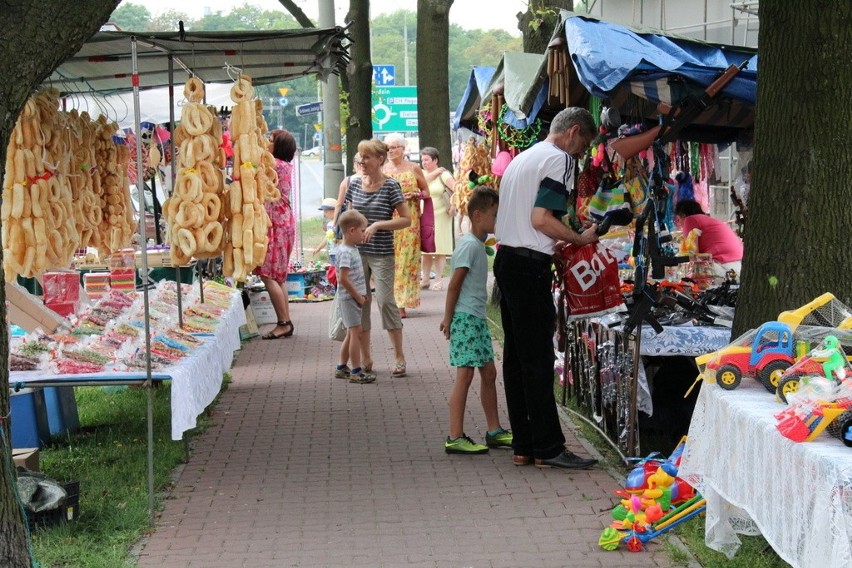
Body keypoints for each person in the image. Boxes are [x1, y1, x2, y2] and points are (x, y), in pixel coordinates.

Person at [494, 107, 599, 470]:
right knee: (537, 359)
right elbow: (542, 219)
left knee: (516, 359)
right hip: (528, 268)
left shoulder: (522, 159)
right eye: (584, 145)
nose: (582, 154)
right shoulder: (560, 161)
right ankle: (550, 448)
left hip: (507, 260)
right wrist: (578, 238)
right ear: (573, 132)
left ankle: (525, 444)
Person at [440, 186, 512, 454]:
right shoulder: (469, 246)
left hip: (476, 318)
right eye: (495, 215)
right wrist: (448, 318)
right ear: (478, 215)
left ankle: (494, 430)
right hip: (466, 318)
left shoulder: (477, 245)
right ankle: (455, 436)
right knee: (465, 376)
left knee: (489, 373)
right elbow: (454, 285)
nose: (497, 220)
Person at [335, 138, 411, 378]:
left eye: (367, 157)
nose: (362, 161)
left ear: (380, 160)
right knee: (361, 304)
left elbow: (406, 219)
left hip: (381, 253)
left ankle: (398, 355)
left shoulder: (391, 186)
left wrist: (378, 225)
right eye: (360, 156)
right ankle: (366, 357)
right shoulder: (353, 184)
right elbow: (347, 220)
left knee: (386, 300)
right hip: (356, 255)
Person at [382, 133, 430, 318]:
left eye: (394, 147)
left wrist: (416, 195)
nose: (391, 151)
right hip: (390, 218)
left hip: (410, 220)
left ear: (403, 148)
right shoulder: (383, 170)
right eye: (388, 147)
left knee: (407, 260)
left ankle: (402, 303)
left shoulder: (413, 168)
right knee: (391, 259)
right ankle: (391, 301)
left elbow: (426, 191)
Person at [255, 129, 297, 340]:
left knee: (268, 274)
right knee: (278, 277)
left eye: (270, 141)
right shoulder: (285, 165)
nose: (266, 143)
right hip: (283, 222)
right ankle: (285, 320)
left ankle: (283, 322)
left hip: (276, 226)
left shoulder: (274, 165)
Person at [334, 209, 376, 384]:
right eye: (362, 230)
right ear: (351, 231)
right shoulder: (345, 252)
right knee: (356, 333)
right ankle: (356, 370)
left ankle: (342, 366)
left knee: (352, 333)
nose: (364, 233)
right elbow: (343, 279)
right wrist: (358, 296)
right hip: (350, 299)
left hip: (354, 298)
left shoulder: (352, 248)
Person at [674, 199, 743, 278]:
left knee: (679, 273)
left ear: (683, 215)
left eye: (677, 220)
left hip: (723, 267)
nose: (679, 224)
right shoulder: (710, 221)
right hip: (740, 267)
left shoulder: (689, 220)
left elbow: (692, 255)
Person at [420, 146, 455, 291]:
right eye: (422, 160)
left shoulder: (444, 175)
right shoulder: (420, 173)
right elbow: (416, 185)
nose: (424, 163)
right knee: (425, 250)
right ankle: (425, 278)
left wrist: (453, 205)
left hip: (441, 215)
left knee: (439, 248)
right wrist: (431, 174)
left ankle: (439, 279)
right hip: (424, 215)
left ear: (435, 160)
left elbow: (457, 189)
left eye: (427, 160)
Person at [311, 197, 340, 266]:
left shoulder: (339, 223)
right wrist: (319, 248)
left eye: (326, 211)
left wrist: (337, 240)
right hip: (331, 252)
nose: (324, 214)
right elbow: (327, 237)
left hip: (338, 253)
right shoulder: (329, 224)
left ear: (335, 210)